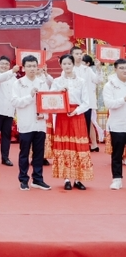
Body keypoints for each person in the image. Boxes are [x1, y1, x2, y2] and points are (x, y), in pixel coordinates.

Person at [50, 54, 93, 190]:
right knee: (64, 146)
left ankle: (79, 179)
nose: (67, 66)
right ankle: (66, 178)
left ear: (73, 64)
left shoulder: (81, 81)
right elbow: (50, 100)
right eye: (64, 64)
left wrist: (76, 111)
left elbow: (87, 102)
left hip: (77, 115)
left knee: (78, 146)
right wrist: (59, 92)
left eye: (69, 63)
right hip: (63, 117)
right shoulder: (57, 82)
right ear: (60, 65)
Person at [11, 55, 51, 191]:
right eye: (29, 66)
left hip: (40, 123)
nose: (32, 69)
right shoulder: (18, 83)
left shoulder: (42, 82)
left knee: (39, 153)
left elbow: (48, 101)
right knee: (24, 153)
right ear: (24, 67)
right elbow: (15, 102)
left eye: (34, 66)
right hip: (26, 123)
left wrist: (44, 115)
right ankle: (23, 179)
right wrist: (30, 96)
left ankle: (38, 179)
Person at [0, 55, 19, 166]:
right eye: (2, 64)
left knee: (6, 135)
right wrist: (11, 72)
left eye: (7, 64)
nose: (4, 66)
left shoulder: (13, 78)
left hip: (9, 110)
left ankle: (5, 157)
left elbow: (15, 93)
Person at [103, 58, 126, 189]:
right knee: (117, 154)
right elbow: (109, 104)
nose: (125, 70)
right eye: (121, 68)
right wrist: (123, 99)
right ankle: (117, 179)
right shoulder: (109, 85)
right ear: (115, 69)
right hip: (117, 125)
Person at [75, 51, 102, 151]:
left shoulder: (87, 70)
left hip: (87, 103)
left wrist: (99, 69)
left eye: (80, 54)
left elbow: (98, 80)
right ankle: (80, 145)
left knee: (87, 123)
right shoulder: (69, 69)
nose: (79, 56)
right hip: (75, 103)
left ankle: (88, 145)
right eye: (76, 54)